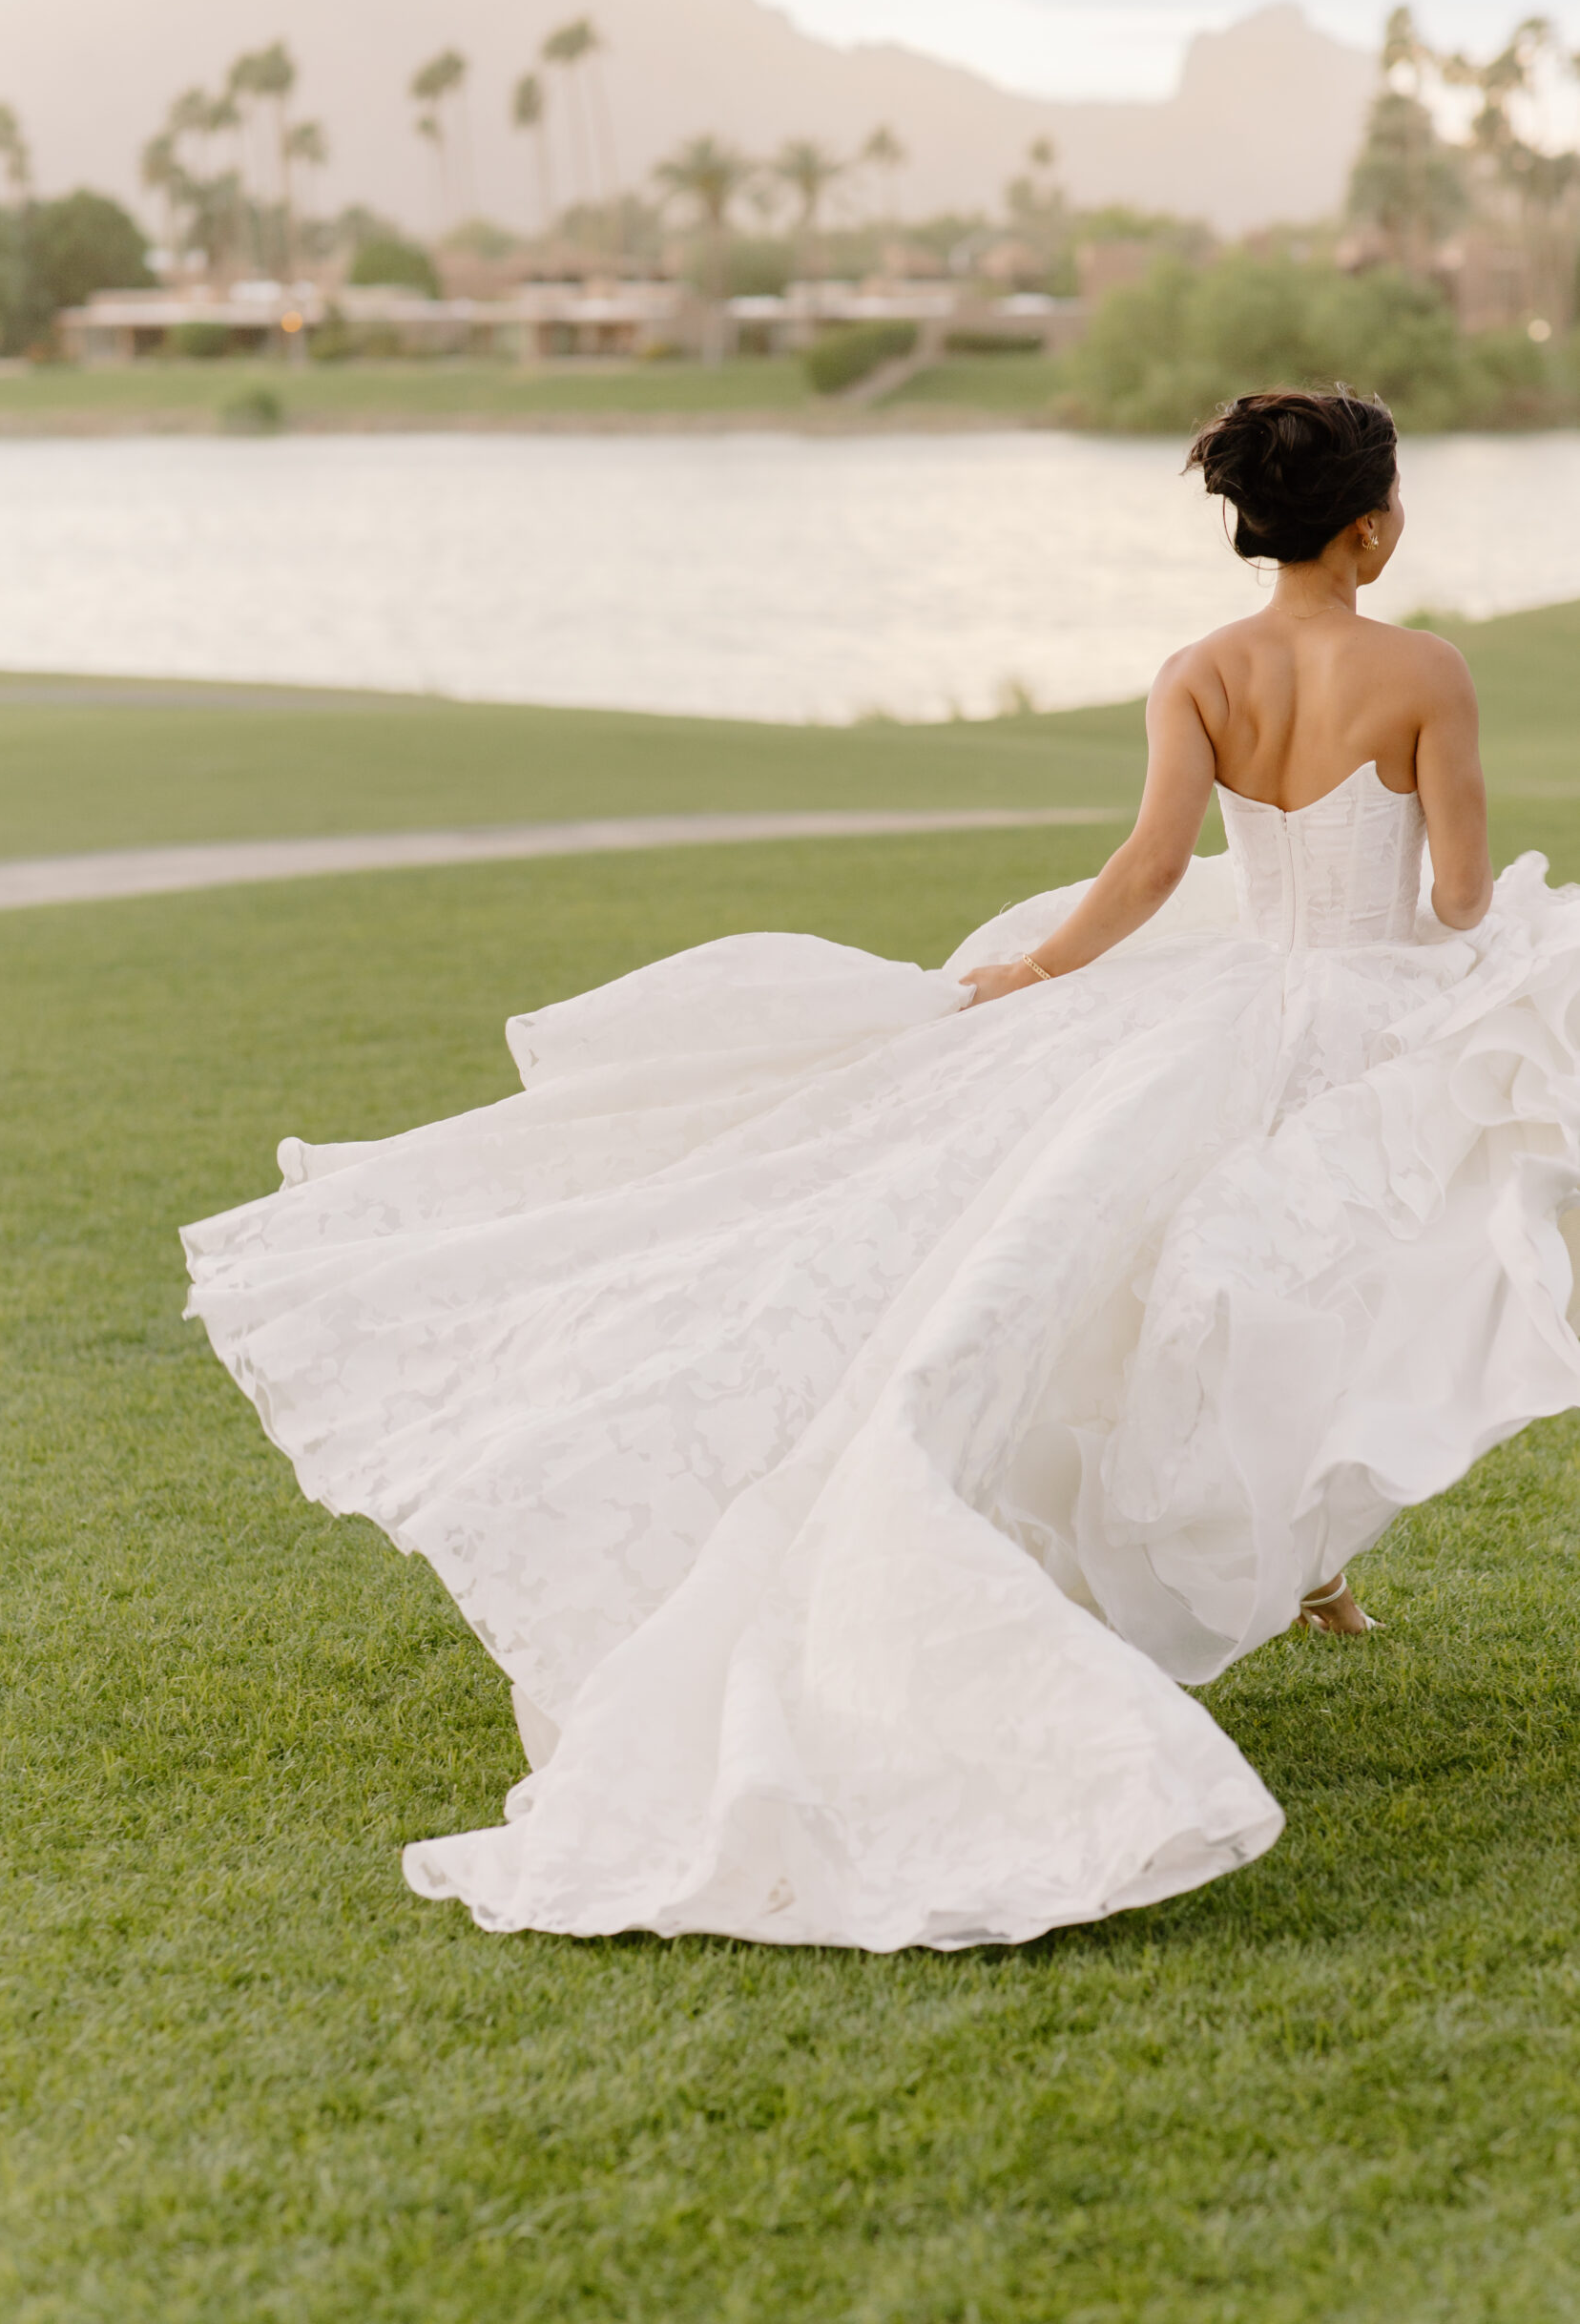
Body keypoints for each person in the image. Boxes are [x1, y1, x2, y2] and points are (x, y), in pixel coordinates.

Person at [184, 388, 1580, 1953]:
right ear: (1373, 522)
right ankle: (1295, 1560)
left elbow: (1142, 870)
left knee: (1158, 1272)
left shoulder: (1200, 673)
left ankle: (1307, 1571)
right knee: (1341, 1271)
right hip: (1359, 1007)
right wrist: (1494, 939)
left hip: (1224, 999)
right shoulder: (1424, 673)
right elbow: (1457, 896)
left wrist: (1039, 977)